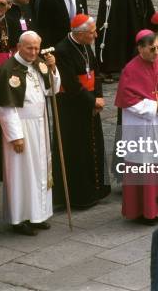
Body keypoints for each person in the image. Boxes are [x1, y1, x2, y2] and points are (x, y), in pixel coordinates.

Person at [0, 31, 60, 235]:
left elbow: (52, 91)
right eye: (29, 47)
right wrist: (15, 136)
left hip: (39, 126)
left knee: (39, 171)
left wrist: (53, 68)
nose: (34, 52)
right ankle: (19, 218)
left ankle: (38, 214)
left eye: (37, 47)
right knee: (21, 174)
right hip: (21, 128)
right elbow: (5, 106)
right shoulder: (8, 69)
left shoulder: (39, 64)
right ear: (19, 46)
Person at [115, 30, 158, 223]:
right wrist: (155, 107)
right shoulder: (130, 69)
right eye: (152, 48)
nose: (156, 52)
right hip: (142, 128)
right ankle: (146, 210)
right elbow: (128, 100)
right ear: (140, 48)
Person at [53, 14, 110, 209]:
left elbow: (95, 72)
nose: (95, 35)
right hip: (73, 108)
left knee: (94, 145)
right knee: (78, 151)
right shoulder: (62, 50)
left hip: (90, 103)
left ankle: (98, 189)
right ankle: (81, 195)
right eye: (93, 32)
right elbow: (71, 85)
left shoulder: (86, 44)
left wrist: (99, 97)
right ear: (81, 33)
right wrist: (93, 101)